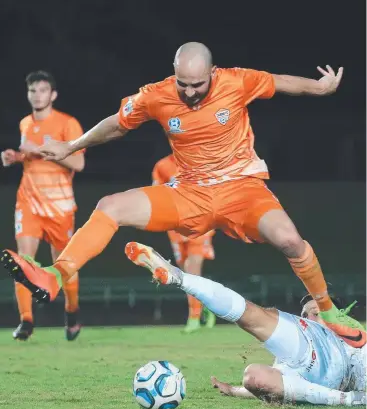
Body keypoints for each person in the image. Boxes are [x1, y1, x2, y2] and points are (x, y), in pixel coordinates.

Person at [1, 43, 363, 345]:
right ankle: (55, 274)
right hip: (190, 194)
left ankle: (327, 311)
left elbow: (280, 82)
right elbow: (116, 123)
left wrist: (320, 88)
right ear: (174, 73)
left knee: (291, 242)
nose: (190, 92)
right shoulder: (156, 94)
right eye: (183, 83)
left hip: (243, 190)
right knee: (110, 206)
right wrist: (71, 147)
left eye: (198, 84)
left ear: (213, 73)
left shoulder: (236, 81)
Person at [124, 241, 366, 407]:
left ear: (340, 313)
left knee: (256, 316)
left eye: (317, 312)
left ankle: (181, 278)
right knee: (254, 375)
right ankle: (180, 277)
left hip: (335, 358)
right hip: (309, 370)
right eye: (305, 313)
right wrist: (234, 390)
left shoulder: (348, 331)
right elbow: (269, 383)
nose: (309, 317)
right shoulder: (298, 340)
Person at [1, 70, 85, 341]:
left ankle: (72, 311)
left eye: (42, 90)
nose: (37, 95)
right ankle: (26, 321)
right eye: (32, 91)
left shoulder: (68, 123)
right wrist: (16, 157)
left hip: (59, 206)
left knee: (64, 265)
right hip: (29, 202)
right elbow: (30, 157)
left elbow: (78, 163)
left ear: (53, 94)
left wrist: (40, 149)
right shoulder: (26, 123)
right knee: (23, 260)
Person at [152, 152, 216, 332]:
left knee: (192, 268)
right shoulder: (163, 165)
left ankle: (194, 319)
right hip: (175, 225)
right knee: (184, 275)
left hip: (200, 223)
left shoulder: (201, 160)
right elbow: (157, 193)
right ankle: (207, 306)